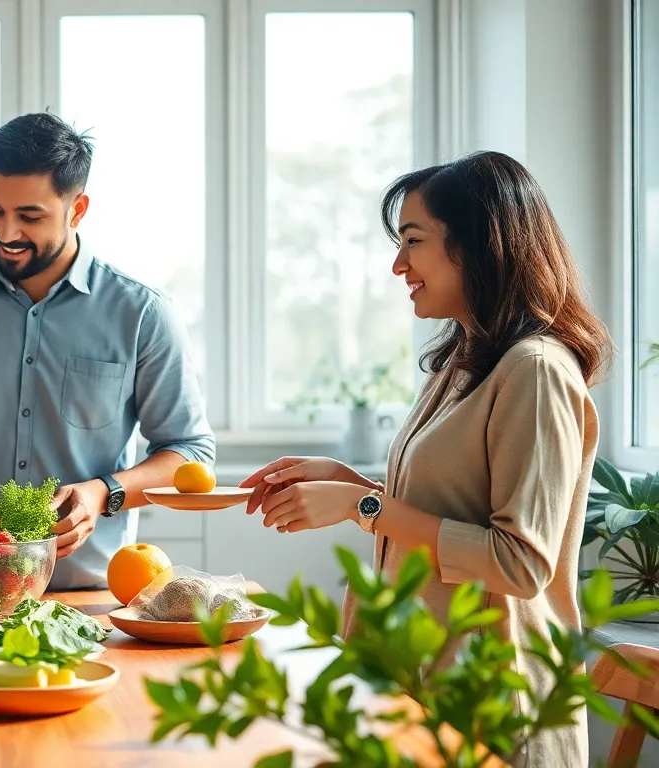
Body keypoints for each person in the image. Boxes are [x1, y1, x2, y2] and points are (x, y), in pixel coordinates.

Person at [240, 151, 610, 766]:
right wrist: (349, 484)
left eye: (413, 241)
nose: (397, 264)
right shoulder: (466, 361)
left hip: (493, 704)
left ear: (480, 244)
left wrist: (364, 505)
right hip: (427, 688)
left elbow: (520, 564)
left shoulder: (535, 370)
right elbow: (442, 511)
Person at [0, 112, 216, 590]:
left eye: (30, 216)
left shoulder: (142, 313)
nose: (6, 233)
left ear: (77, 209)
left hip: (96, 592)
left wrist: (104, 493)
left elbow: (191, 454)